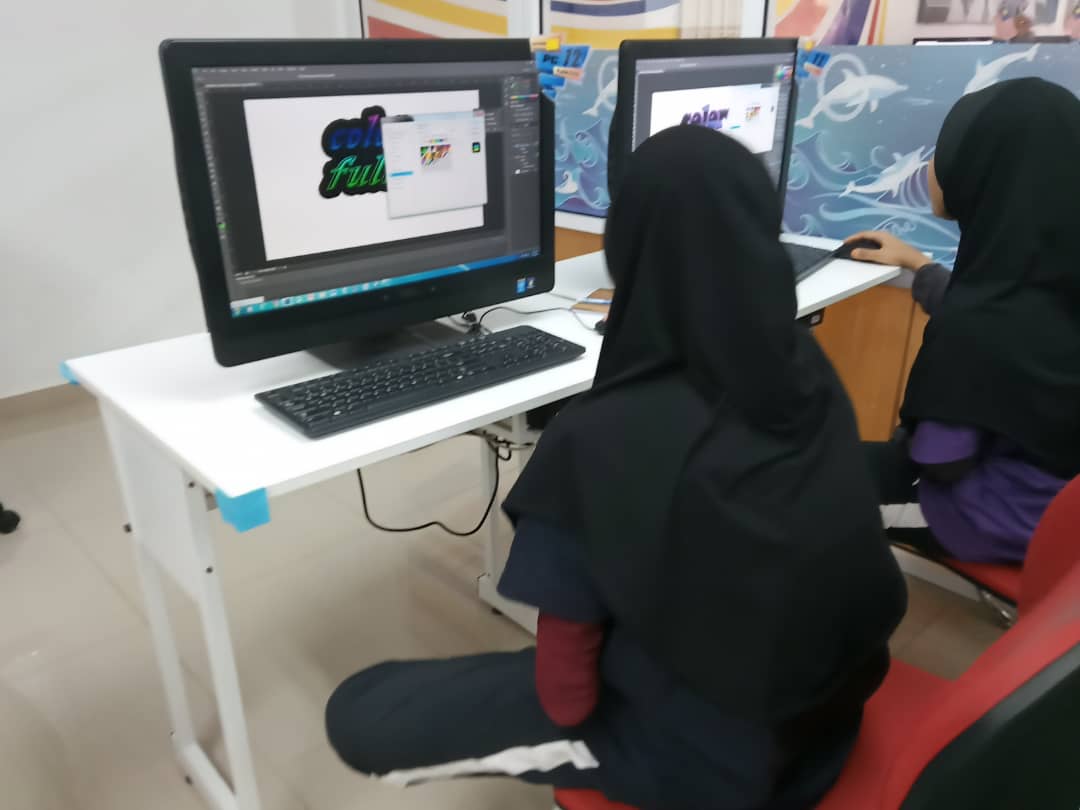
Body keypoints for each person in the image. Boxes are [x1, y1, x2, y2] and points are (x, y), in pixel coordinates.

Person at [325, 126, 907, 810]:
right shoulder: (808, 371)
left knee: (361, 713)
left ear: (625, 248)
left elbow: (565, 698)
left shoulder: (599, 440)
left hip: (715, 769)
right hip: (831, 719)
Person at [846, 77, 1080, 565]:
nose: (933, 166)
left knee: (813, 479)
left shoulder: (976, 327)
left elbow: (941, 460)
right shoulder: (1048, 283)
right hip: (1060, 507)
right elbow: (1006, 330)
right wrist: (918, 265)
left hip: (994, 515)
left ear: (980, 172)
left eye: (944, 151)